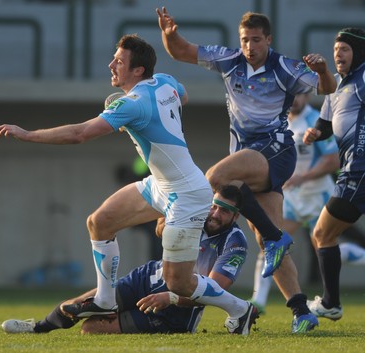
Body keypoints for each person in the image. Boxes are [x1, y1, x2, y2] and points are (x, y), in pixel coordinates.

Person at [0, 34, 257, 334]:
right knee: (100, 222)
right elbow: (181, 96)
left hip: (186, 194)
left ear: (138, 71)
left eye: (119, 61)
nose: (111, 65)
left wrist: (28, 134)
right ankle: (105, 299)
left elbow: (80, 134)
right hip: (162, 184)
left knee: (178, 282)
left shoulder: (133, 104)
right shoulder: (166, 80)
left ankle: (240, 309)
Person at [156, 7, 337, 333]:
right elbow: (182, 51)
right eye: (245, 40)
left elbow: (327, 89)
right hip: (249, 159)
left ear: (268, 39)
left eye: (256, 39)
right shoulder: (229, 60)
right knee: (267, 242)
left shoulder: (284, 66)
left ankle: (276, 237)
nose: (250, 46)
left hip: (276, 149)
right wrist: (170, 36)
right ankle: (301, 311)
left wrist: (323, 70)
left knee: (215, 178)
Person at [1, 185, 253, 335]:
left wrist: (172, 297)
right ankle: (37, 327)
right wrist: (171, 217)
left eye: (224, 211)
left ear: (235, 216)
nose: (215, 214)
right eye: (215, 206)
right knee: (80, 305)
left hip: (174, 311)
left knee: (90, 328)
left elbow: (217, 288)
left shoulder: (235, 241)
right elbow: (159, 229)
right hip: (146, 277)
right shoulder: (198, 213)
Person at [250, 93, 340, 313]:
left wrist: (303, 177)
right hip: (291, 198)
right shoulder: (278, 122)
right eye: (291, 95)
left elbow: (333, 160)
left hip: (318, 196)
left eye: (300, 94)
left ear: (308, 96)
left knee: (324, 247)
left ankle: (331, 302)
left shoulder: (316, 122)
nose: (295, 100)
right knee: (270, 242)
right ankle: (258, 302)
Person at [303, 27, 365, 321]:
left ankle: (330, 304)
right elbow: (327, 122)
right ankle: (331, 302)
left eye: (345, 49)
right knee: (324, 233)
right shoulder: (337, 84)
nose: (338, 54)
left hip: (359, 171)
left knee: (322, 233)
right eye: (336, 49)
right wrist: (316, 132)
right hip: (352, 172)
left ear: (359, 53)